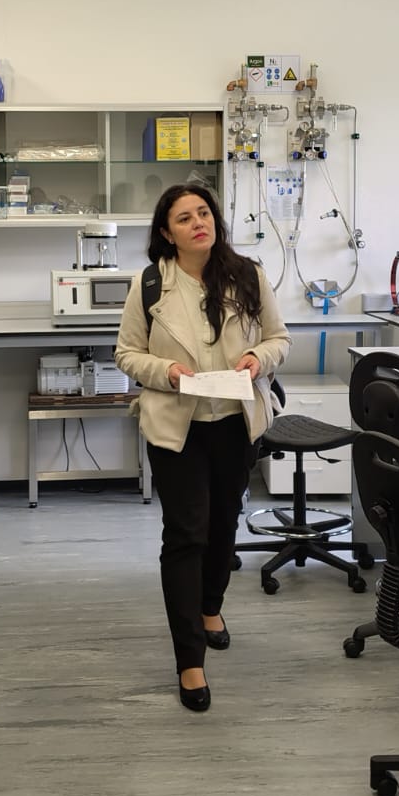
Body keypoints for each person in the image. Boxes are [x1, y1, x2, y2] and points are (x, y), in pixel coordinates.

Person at [115, 183, 290, 712]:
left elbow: (279, 338)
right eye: (185, 218)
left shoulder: (248, 275)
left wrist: (258, 360)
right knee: (186, 535)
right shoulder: (149, 284)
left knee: (222, 525)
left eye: (204, 213)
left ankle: (211, 606)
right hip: (178, 425)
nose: (199, 223)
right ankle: (189, 659)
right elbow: (126, 354)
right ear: (167, 233)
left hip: (234, 421)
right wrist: (167, 371)